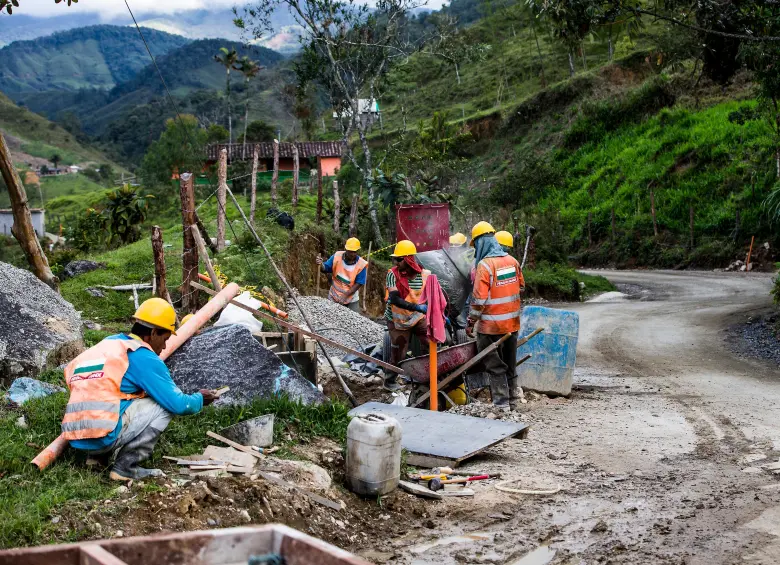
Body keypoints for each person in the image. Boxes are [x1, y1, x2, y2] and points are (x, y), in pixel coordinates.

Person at [60, 298, 219, 481]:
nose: (165, 346)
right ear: (152, 333)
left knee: (119, 397)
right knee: (163, 405)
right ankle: (125, 468)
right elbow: (178, 404)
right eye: (165, 339)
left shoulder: (107, 344)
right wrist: (200, 399)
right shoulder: (143, 356)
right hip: (101, 436)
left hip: (74, 435)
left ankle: (95, 459)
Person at [466, 221, 524, 409]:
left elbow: (478, 301)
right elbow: (520, 286)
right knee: (510, 363)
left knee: (494, 365)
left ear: (481, 242)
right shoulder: (512, 261)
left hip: (491, 328)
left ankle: (501, 404)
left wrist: (470, 322)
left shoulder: (485, 266)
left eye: (476, 245)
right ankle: (514, 400)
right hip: (512, 324)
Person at [383, 240, 430, 390]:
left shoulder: (425, 275)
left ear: (408, 259)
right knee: (399, 353)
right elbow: (395, 299)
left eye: (399, 259)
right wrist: (418, 307)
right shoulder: (392, 274)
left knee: (430, 341)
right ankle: (389, 381)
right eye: (395, 259)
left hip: (417, 317)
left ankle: (427, 374)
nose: (395, 261)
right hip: (397, 320)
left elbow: (433, 295)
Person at [317, 237, 368, 312]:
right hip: (334, 295)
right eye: (350, 251)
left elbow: (359, 283)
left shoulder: (361, 264)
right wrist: (321, 264)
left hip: (351, 298)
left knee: (353, 320)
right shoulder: (337, 256)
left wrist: (345, 295)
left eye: (354, 252)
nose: (352, 254)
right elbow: (326, 268)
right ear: (346, 249)